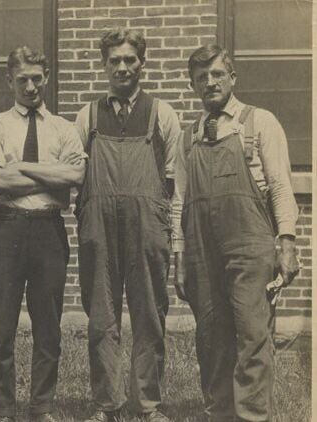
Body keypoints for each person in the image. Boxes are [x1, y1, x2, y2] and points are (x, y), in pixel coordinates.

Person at [171, 45, 300, 422]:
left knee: (251, 334)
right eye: (200, 78)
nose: (209, 82)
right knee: (211, 336)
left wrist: (287, 243)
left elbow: (280, 187)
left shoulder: (259, 123)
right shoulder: (188, 136)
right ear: (193, 85)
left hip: (250, 245)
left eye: (216, 74)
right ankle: (220, 413)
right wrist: (180, 258)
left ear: (232, 78)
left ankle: (252, 416)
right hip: (201, 249)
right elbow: (179, 202)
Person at [73, 28, 182, 422]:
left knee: (149, 312)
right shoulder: (87, 116)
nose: (122, 67)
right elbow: (74, 173)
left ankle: (148, 405)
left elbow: (173, 180)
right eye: (114, 60)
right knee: (102, 314)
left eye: (129, 59)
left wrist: (159, 220)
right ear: (104, 65)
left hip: (147, 225)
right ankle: (108, 404)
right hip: (99, 226)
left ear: (142, 62)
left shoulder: (162, 114)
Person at [0, 46, 85, 422]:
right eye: (22, 79)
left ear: (47, 78)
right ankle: (4, 409)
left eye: (37, 78)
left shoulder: (63, 128)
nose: (30, 86)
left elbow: (74, 177)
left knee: (48, 326)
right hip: (5, 230)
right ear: (10, 81)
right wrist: (47, 174)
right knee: (1, 328)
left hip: (48, 232)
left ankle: (43, 407)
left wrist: (20, 167)